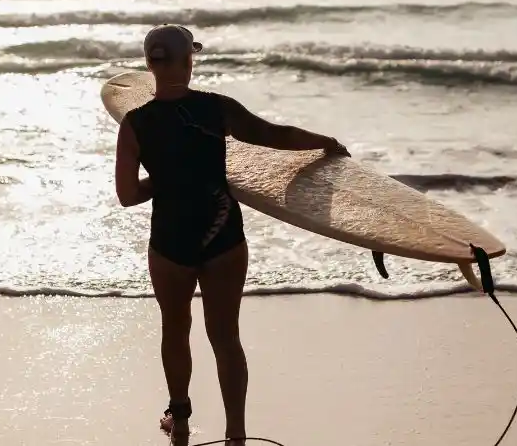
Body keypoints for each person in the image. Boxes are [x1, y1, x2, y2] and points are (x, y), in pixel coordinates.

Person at [114, 25, 349, 445]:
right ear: (190, 60)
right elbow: (275, 135)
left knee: (175, 329)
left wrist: (165, 180)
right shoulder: (217, 109)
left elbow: (128, 195)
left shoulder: (134, 124)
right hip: (222, 235)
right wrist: (326, 143)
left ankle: (181, 420)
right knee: (226, 338)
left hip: (169, 242)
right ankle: (236, 435)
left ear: (150, 64)